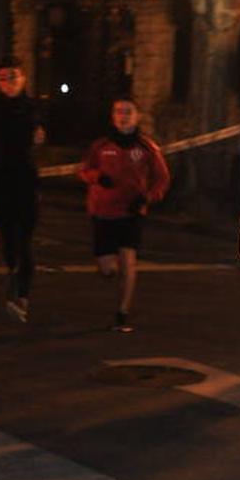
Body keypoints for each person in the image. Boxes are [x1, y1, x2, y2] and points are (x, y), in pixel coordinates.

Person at [77, 99, 169, 333]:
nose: (123, 116)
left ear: (137, 116)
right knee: (107, 268)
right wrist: (97, 177)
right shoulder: (101, 145)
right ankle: (112, 272)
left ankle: (122, 314)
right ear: (112, 116)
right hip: (103, 212)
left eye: (128, 112)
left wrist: (147, 197)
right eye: (119, 112)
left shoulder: (147, 148)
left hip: (132, 212)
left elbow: (162, 179)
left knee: (129, 260)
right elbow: (83, 170)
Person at [0, 55, 45, 323]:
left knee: (24, 238)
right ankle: (13, 275)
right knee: (7, 239)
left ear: (23, 78)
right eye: (2, 78)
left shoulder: (32, 107)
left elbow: (42, 134)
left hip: (26, 179)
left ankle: (21, 296)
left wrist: (40, 136)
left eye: (13, 77)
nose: (8, 83)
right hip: (0, 180)